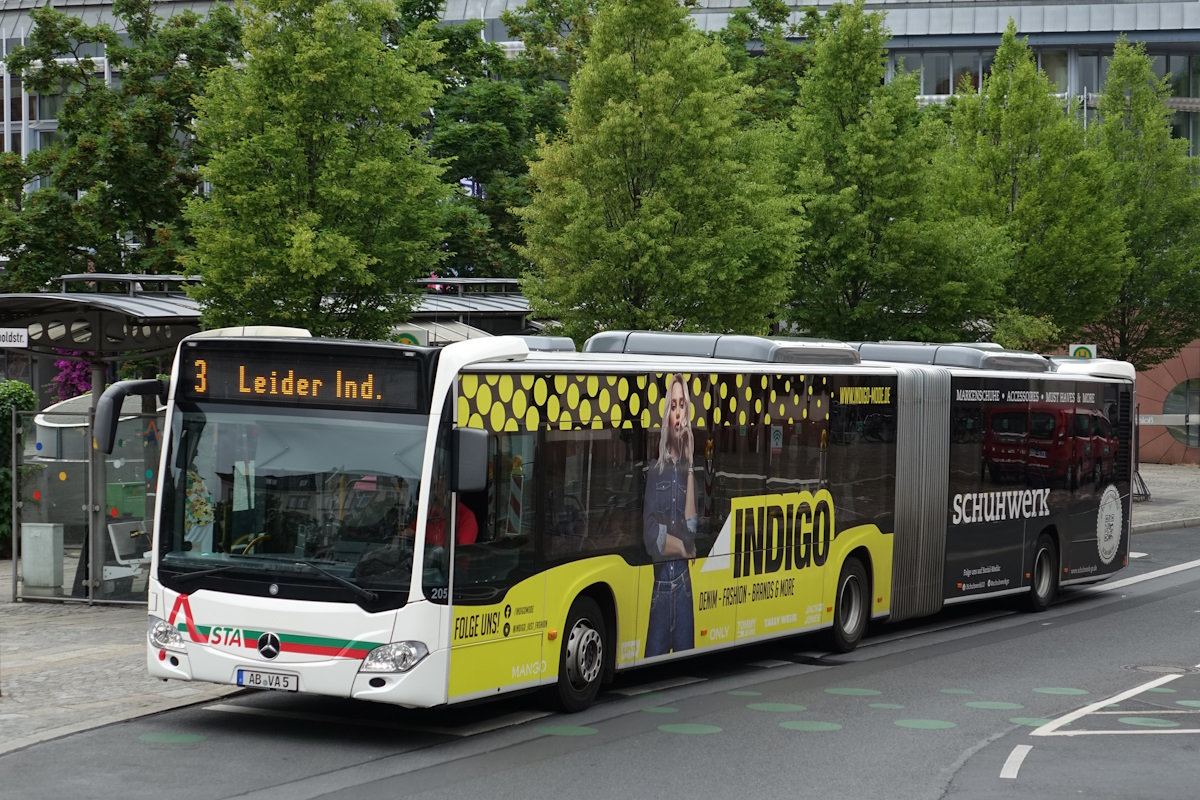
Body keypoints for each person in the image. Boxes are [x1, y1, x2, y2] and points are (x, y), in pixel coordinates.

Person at [643, 373, 701, 657]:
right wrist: (681, 547)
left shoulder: (689, 473)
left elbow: (692, 526)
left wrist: (689, 466)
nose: (678, 413)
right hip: (661, 586)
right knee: (652, 657)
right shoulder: (656, 471)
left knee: (686, 661)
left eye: (683, 406)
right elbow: (650, 535)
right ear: (667, 415)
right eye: (673, 406)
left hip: (685, 589)